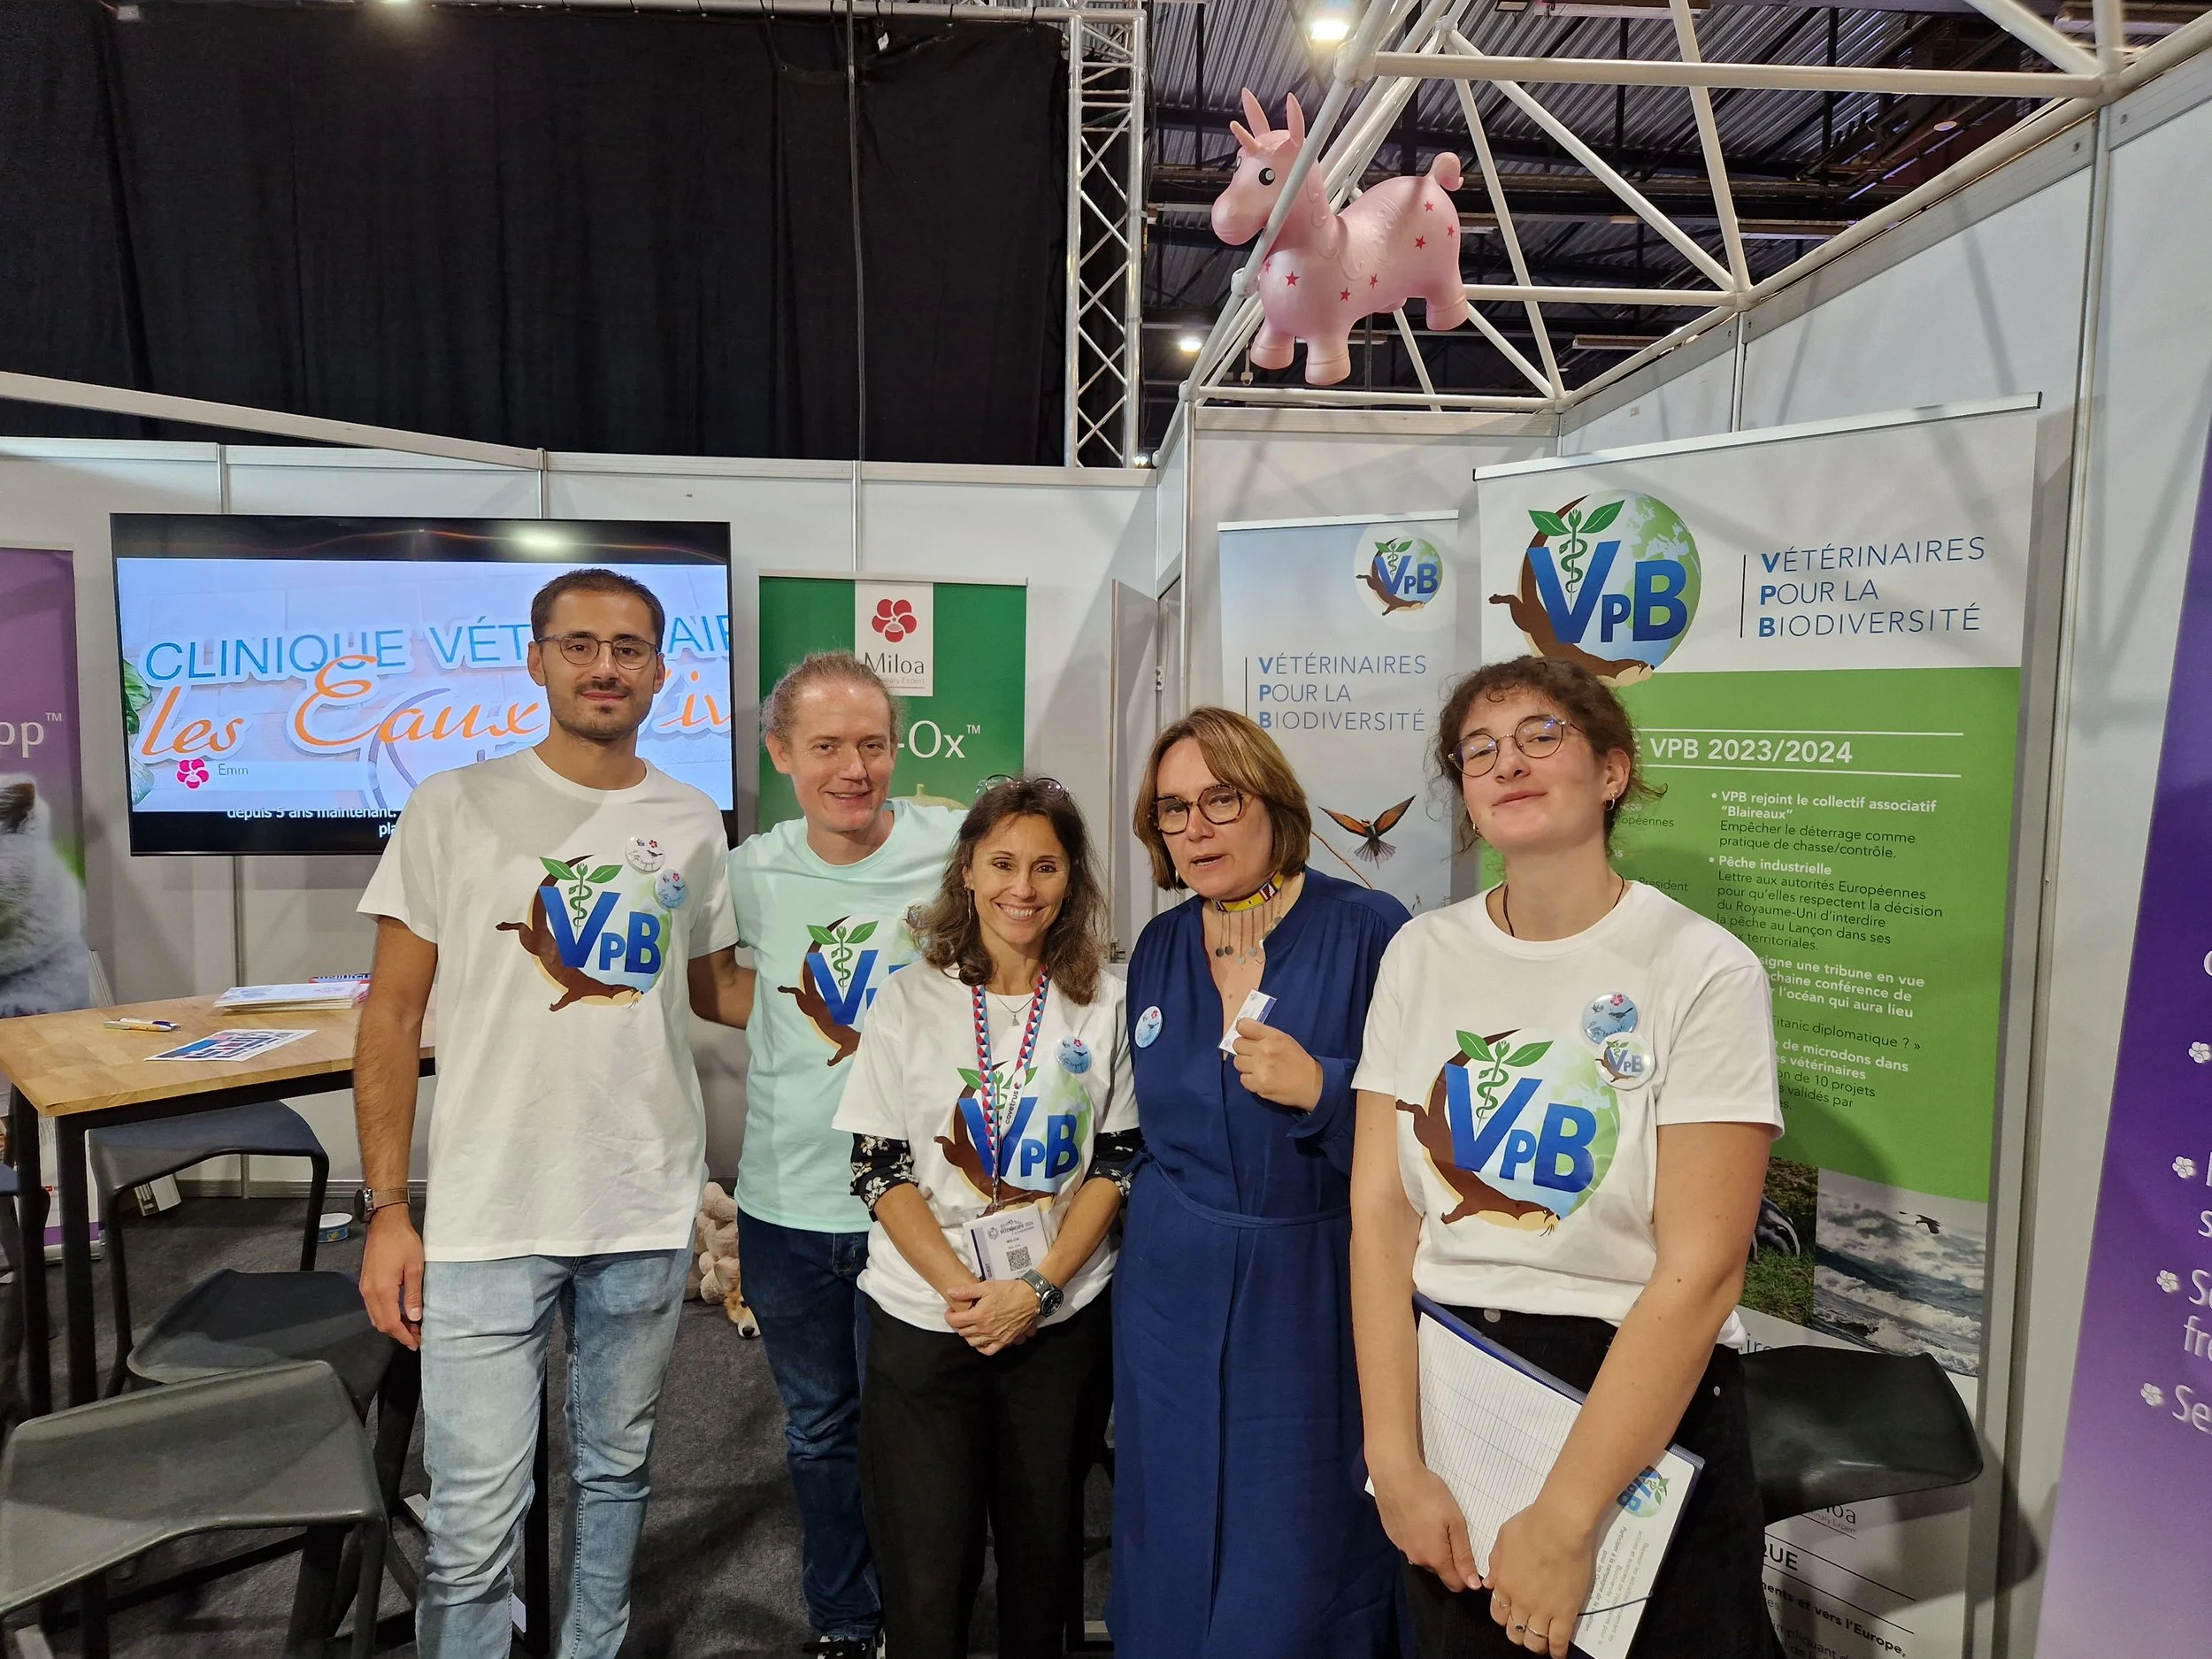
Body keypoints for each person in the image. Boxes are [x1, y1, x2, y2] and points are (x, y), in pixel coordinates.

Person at [354, 567, 756, 1659]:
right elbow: (391, 1014)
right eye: (579, 644)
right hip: (489, 1210)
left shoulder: (689, 818)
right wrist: (387, 1209)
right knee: (472, 1523)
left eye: (628, 648)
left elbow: (716, 988)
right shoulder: (452, 805)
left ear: (662, 672)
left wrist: (895, 989)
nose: (604, 666)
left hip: (643, 1200)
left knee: (617, 1476)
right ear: (536, 661)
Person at [1348, 656, 1782, 1659]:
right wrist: (1393, 1457)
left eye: (1541, 735)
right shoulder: (1420, 955)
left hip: (1634, 1403)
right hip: (1457, 1393)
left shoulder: (1702, 969)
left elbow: (1703, 1270)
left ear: (1612, 771)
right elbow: (1380, 1215)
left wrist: (1568, 1514)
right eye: (1479, 750)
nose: (1508, 762)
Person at [1109, 706, 1410, 1659]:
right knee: (1166, 1526)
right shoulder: (1160, 946)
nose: (1195, 829)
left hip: (1309, 1287)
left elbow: (1427, 1134)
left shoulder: (1370, 930)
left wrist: (1324, 1089)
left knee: (1296, 1550)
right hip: (1167, 1290)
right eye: (1172, 810)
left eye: (1220, 800)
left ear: (1274, 803)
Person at [833, 776, 1139, 1659]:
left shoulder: (1104, 999)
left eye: (1046, 866)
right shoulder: (907, 997)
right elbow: (878, 1166)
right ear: (967, 870)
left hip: (1058, 1320)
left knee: (1044, 1564)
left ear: (1071, 879)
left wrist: (1035, 1290)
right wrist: (968, 1295)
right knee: (927, 1572)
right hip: (928, 1321)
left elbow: (1116, 1161)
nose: (1023, 887)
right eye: (1002, 863)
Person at [726, 650, 963, 1657]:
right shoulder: (751, 871)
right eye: (825, 746)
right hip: (786, 1201)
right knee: (820, 1429)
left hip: (918, 1203)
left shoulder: (957, 847)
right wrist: (813, 1033)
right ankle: (844, 1619)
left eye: (872, 744)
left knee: (919, 1430)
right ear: (782, 754)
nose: (852, 769)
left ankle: (927, 1615)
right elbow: (713, 986)